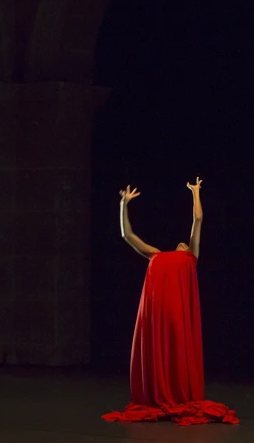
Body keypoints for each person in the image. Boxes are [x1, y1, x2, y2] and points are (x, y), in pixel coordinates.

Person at [102, 178, 238, 425]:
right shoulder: (155, 255)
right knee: (158, 350)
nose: (182, 242)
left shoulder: (191, 256)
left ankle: (177, 394)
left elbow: (197, 220)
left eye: (185, 242)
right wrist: (124, 205)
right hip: (155, 313)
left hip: (177, 313)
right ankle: (157, 395)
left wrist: (196, 193)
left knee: (177, 350)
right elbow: (128, 235)